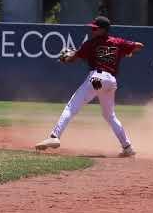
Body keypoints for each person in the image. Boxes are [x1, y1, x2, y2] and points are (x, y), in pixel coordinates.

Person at [35, 16, 144, 157]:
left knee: (71, 107)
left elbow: (73, 58)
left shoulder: (91, 43)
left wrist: (65, 58)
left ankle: (54, 136)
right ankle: (127, 147)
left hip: (97, 79)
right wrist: (126, 52)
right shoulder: (118, 42)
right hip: (111, 82)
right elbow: (139, 46)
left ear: (103, 29)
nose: (92, 30)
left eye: (95, 28)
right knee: (109, 115)